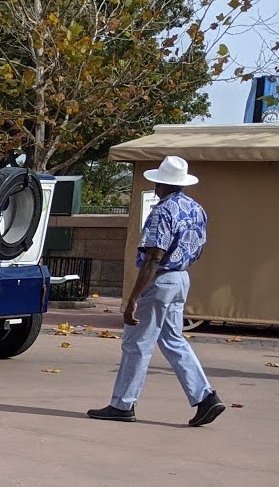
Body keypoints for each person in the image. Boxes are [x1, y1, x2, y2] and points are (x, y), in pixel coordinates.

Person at [88, 156, 224, 427]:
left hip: (160, 280)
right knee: (173, 340)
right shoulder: (196, 209)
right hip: (180, 278)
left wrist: (134, 298)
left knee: (137, 342)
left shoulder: (163, 211)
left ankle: (122, 404)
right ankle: (205, 396)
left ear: (162, 182)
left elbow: (153, 257)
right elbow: (198, 248)